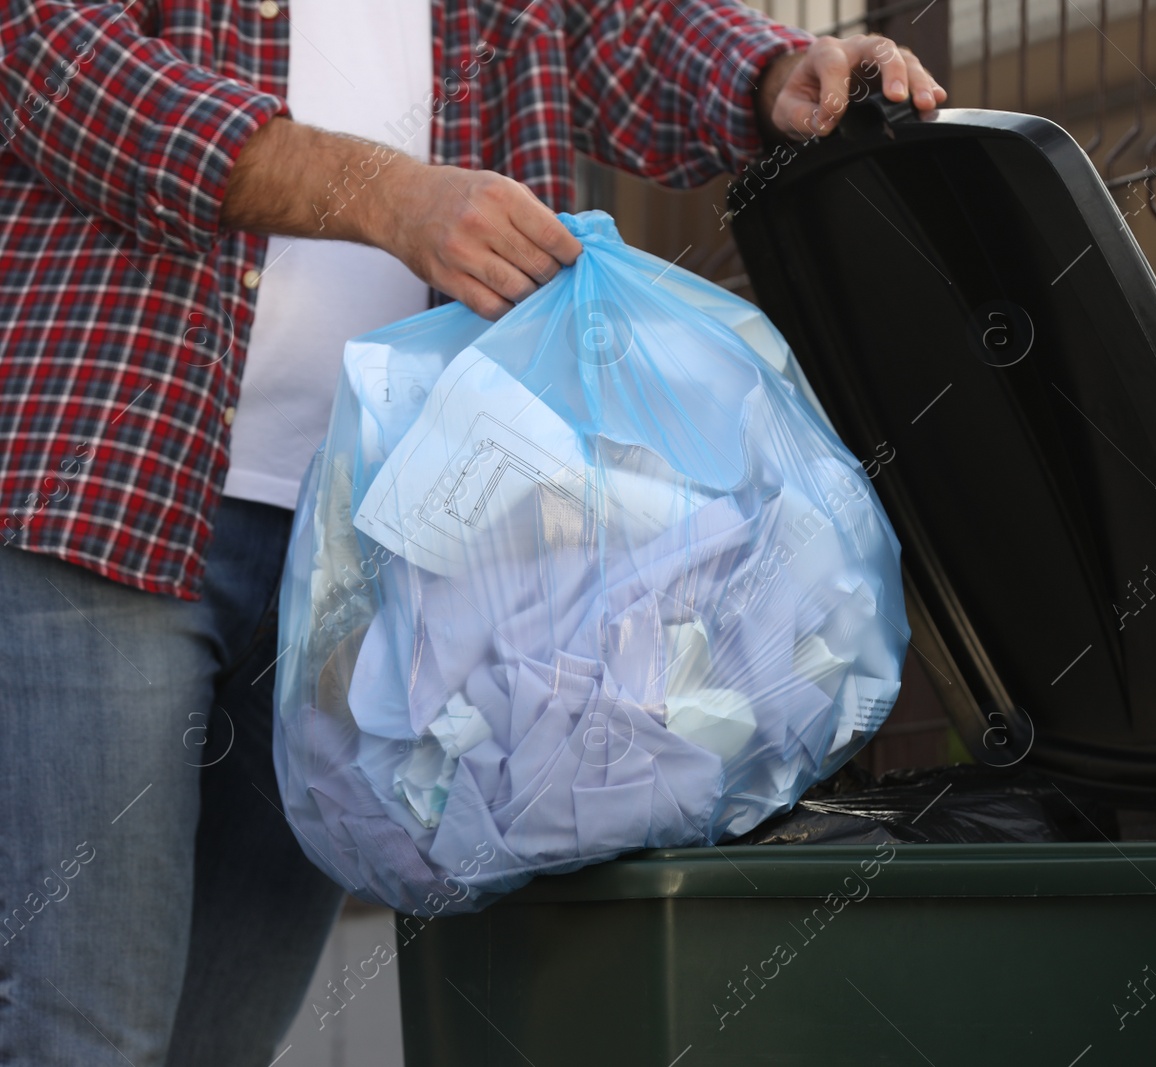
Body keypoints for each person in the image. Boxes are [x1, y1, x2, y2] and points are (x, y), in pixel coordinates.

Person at [0, 2, 944, 1062]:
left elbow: (622, 30)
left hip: (386, 571)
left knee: (211, 1043)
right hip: (113, 493)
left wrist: (778, 71)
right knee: (79, 1031)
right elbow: (52, 60)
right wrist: (389, 196)